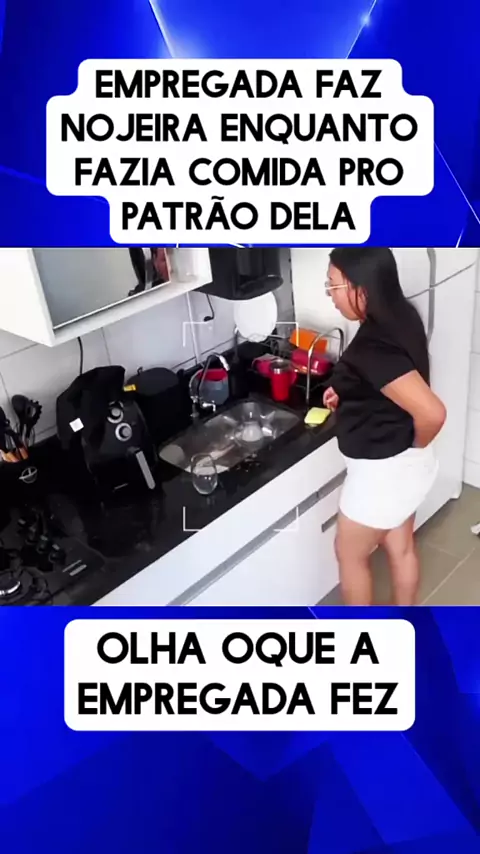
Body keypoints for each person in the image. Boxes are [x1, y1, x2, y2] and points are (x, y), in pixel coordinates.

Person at [322, 247, 446, 606]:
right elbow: (391, 380)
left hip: (382, 476)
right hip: (408, 470)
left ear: (360, 288)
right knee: (401, 546)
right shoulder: (402, 315)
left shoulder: (370, 350)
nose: (329, 295)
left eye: (333, 286)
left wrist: (415, 447)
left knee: (350, 556)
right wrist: (347, 389)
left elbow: (433, 413)